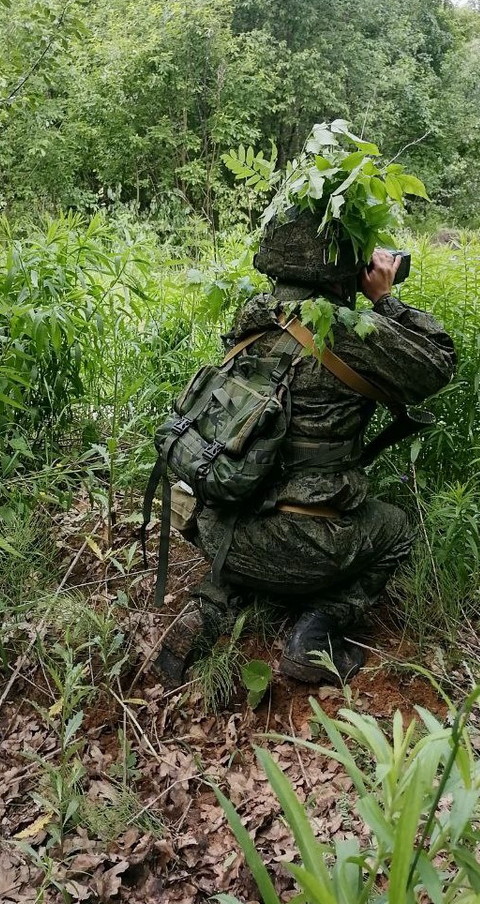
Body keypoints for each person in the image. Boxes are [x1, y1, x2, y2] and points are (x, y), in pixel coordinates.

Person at [152, 207, 456, 685]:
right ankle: (318, 631)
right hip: (303, 546)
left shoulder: (251, 315)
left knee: (264, 520)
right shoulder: (345, 331)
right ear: (343, 266)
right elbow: (437, 362)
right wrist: (384, 298)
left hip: (215, 527)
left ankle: (215, 604)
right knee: (397, 528)